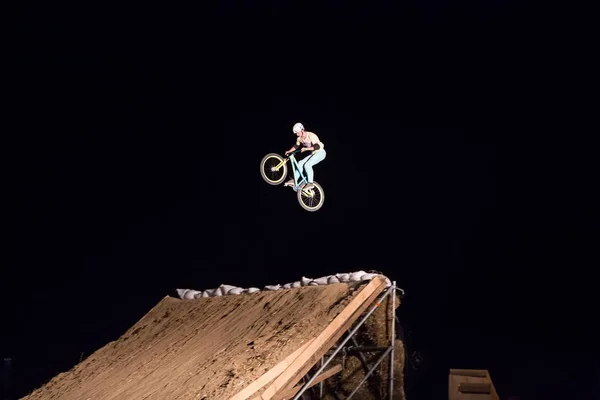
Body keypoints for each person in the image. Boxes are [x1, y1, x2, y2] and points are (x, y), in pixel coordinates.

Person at [284, 122, 326, 190]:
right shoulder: (299, 138)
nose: (297, 134)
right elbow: (296, 146)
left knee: (307, 165)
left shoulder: (311, 135)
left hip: (320, 152)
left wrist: (306, 149)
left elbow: (317, 146)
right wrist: (289, 151)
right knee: (300, 163)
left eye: (298, 132)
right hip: (313, 153)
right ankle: (295, 180)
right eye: (296, 133)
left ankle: (310, 183)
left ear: (302, 130)